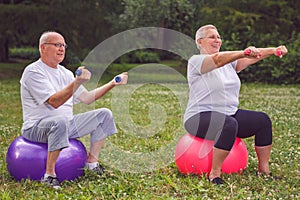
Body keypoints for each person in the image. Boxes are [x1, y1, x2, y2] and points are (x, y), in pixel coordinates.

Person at [20, 31, 128, 189]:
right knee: (60, 122)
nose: (61, 48)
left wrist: (112, 83)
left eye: (63, 45)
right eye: (57, 45)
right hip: (36, 127)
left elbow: (87, 98)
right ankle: (49, 176)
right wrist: (77, 82)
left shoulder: (65, 73)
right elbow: (54, 102)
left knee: (104, 114)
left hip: (65, 125)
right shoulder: (33, 71)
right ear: (43, 48)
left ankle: (92, 163)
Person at [183, 24, 288, 184]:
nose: (217, 40)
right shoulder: (196, 61)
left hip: (229, 113)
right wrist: (242, 52)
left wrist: (273, 50)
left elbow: (254, 56)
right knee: (228, 124)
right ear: (200, 41)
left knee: (262, 120)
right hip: (198, 118)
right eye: (212, 37)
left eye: (218, 37)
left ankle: (264, 171)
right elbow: (218, 60)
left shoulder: (230, 64)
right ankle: (215, 174)